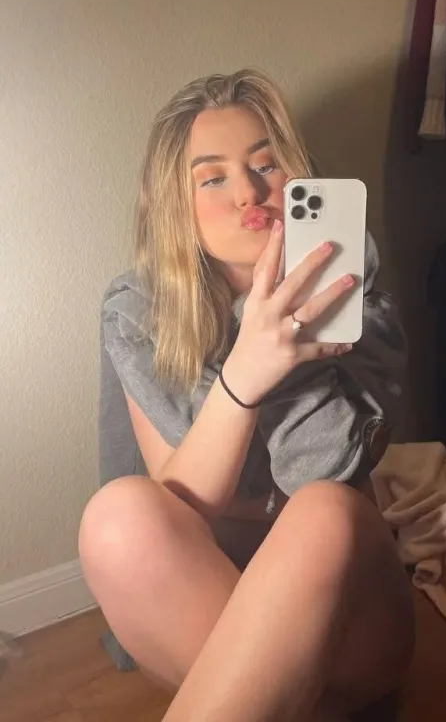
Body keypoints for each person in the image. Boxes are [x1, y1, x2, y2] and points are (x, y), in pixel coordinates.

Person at [79, 69, 414, 722]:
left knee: (322, 512)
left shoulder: (351, 291)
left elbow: (323, 472)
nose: (248, 193)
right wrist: (242, 378)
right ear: (175, 204)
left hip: (350, 614)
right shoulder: (140, 312)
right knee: (118, 514)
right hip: (205, 611)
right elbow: (185, 504)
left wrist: (290, 341)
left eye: (266, 165)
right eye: (212, 178)